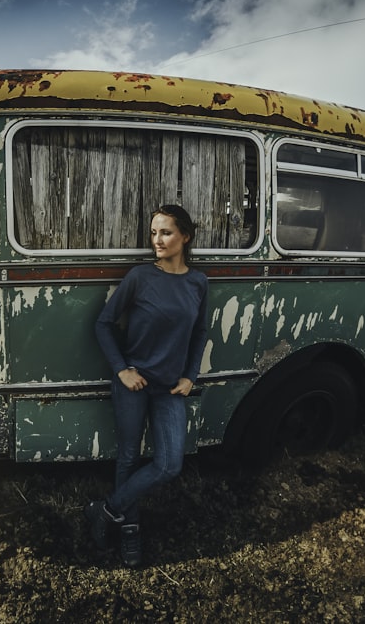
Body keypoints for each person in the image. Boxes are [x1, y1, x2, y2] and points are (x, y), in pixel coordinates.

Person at [87, 204, 209, 567]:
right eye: (154, 232)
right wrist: (122, 369)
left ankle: (105, 510)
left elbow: (200, 332)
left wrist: (191, 376)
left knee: (170, 464)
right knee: (128, 457)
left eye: (166, 232)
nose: (157, 240)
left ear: (185, 236)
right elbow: (104, 324)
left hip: (170, 388)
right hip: (134, 384)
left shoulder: (197, 282)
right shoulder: (140, 277)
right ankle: (129, 529)